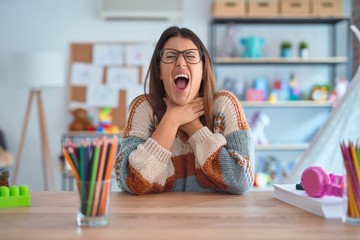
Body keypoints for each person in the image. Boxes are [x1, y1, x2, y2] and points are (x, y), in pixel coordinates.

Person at [114, 26, 254, 195]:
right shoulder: (144, 108)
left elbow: (242, 180)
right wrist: (171, 120)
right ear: (159, 71)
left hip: (214, 220)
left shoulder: (224, 105)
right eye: (171, 56)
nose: (180, 62)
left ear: (202, 70)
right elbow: (132, 181)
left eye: (190, 55)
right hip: (157, 219)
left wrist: (193, 126)